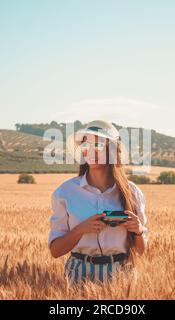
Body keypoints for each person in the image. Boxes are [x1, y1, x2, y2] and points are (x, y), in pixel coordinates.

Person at [48, 120, 148, 284]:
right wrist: (80, 229)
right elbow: (55, 251)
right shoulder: (65, 192)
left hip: (122, 278)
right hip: (78, 277)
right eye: (86, 145)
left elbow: (141, 250)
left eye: (99, 146)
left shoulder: (133, 193)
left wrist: (138, 230)